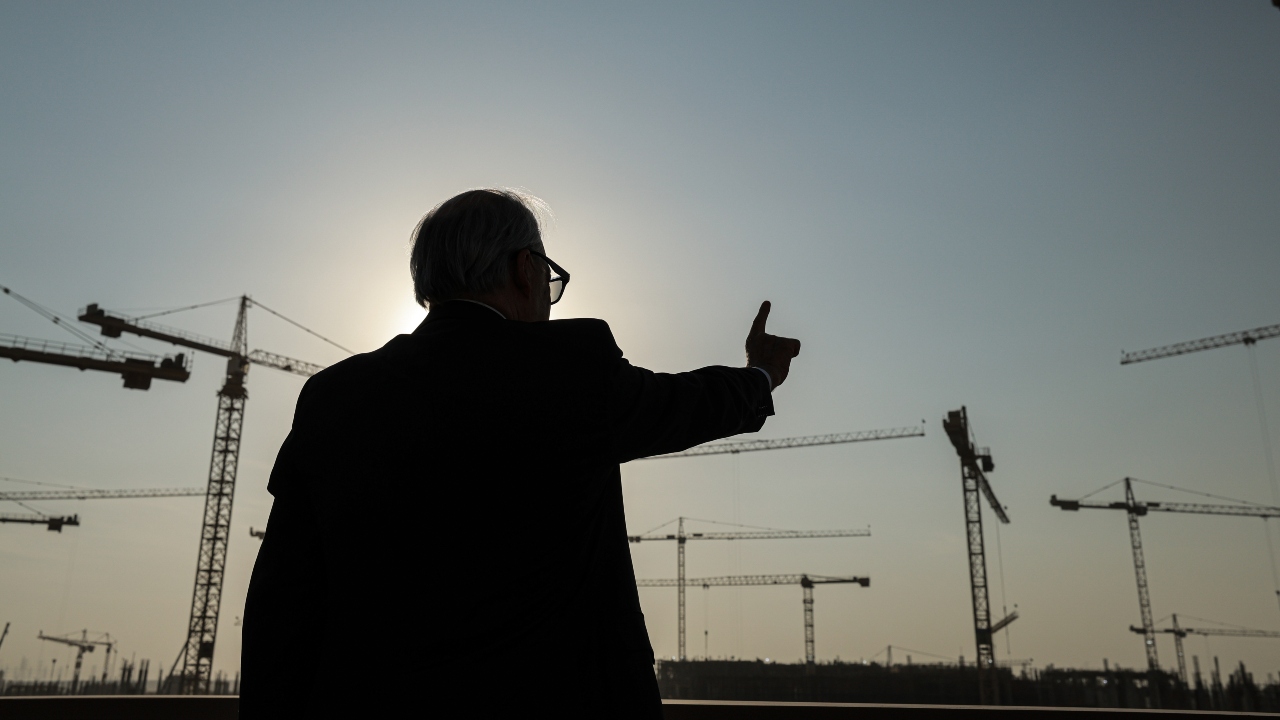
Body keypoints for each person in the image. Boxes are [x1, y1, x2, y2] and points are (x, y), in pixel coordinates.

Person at [241, 189, 800, 718]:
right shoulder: (569, 372)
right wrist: (761, 374)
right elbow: (686, 405)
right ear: (525, 269)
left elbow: (283, 598)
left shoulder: (334, 396)